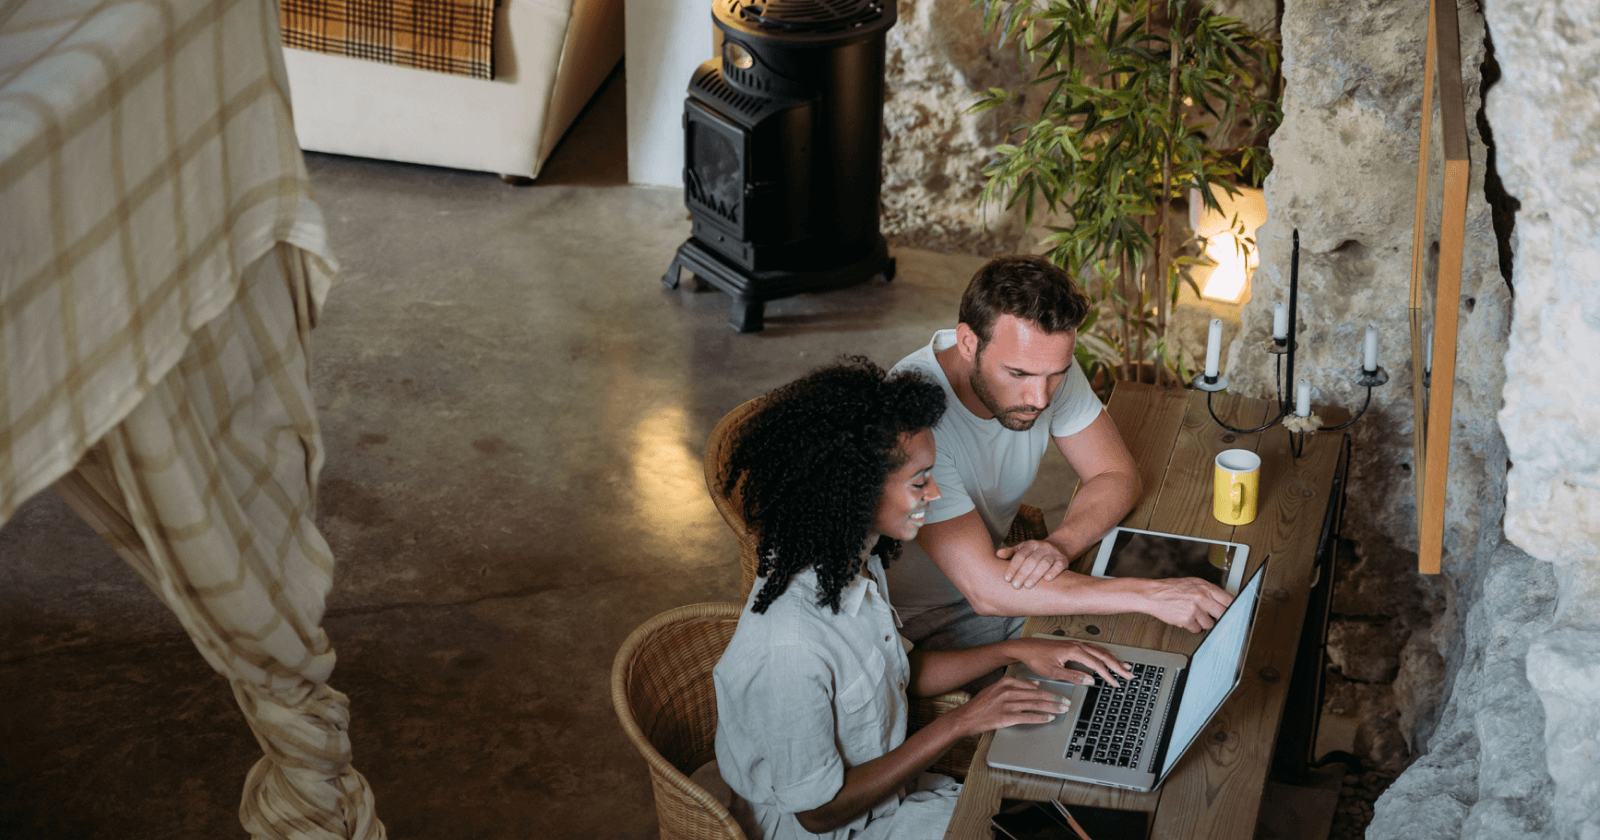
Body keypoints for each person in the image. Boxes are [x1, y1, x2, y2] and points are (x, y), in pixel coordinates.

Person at [712, 358, 1133, 840]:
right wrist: (962, 722)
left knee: (1075, 812)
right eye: (919, 482)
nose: (934, 494)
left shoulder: (852, 567)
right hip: (833, 829)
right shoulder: (789, 648)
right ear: (857, 492)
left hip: (895, 794)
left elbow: (898, 675)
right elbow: (818, 812)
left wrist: (1015, 651)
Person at [888, 255, 1233, 655]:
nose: (1039, 398)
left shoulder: (1043, 359)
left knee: (1161, 638)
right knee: (1139, 642)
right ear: (968, 343)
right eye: (1017, 375)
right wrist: (1151, 596)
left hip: (1007, 585)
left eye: (1057, 375)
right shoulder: (913, 417)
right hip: (922, 620)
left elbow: (1115, 474)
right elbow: (986, 591)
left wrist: (1061, 545)